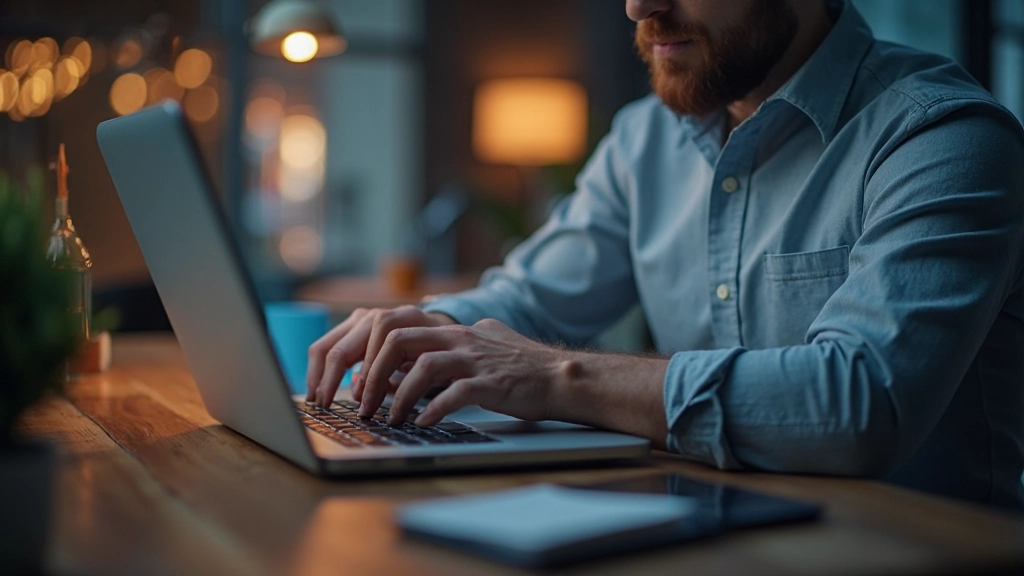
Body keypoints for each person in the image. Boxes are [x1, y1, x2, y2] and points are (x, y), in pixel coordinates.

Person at [307, 0, 1024, 510]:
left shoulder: (941, 136)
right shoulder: (643, 139)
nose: (638, 6)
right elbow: (525, 299)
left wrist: (560, 376)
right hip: (710, 532)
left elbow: (861, 404)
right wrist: (415, 334)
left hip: (915, 547)